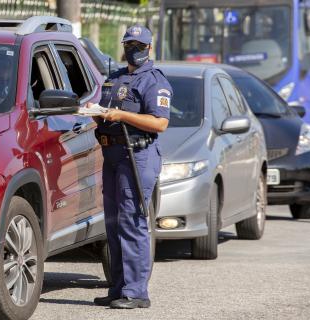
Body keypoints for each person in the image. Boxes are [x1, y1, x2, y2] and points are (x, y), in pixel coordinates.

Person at [90, 24, 172, 309]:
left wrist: (122, 115)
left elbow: (160, 122)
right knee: (112, 224)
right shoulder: (113, 78)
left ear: (149, 48)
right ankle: (118, 288)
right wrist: (93, 114)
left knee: (132, 223)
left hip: (137, 156)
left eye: (138, 46)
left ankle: (137, 293)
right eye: (129, 44)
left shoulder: (155, 81)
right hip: (112, 155)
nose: (132, 50)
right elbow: (104, 112)